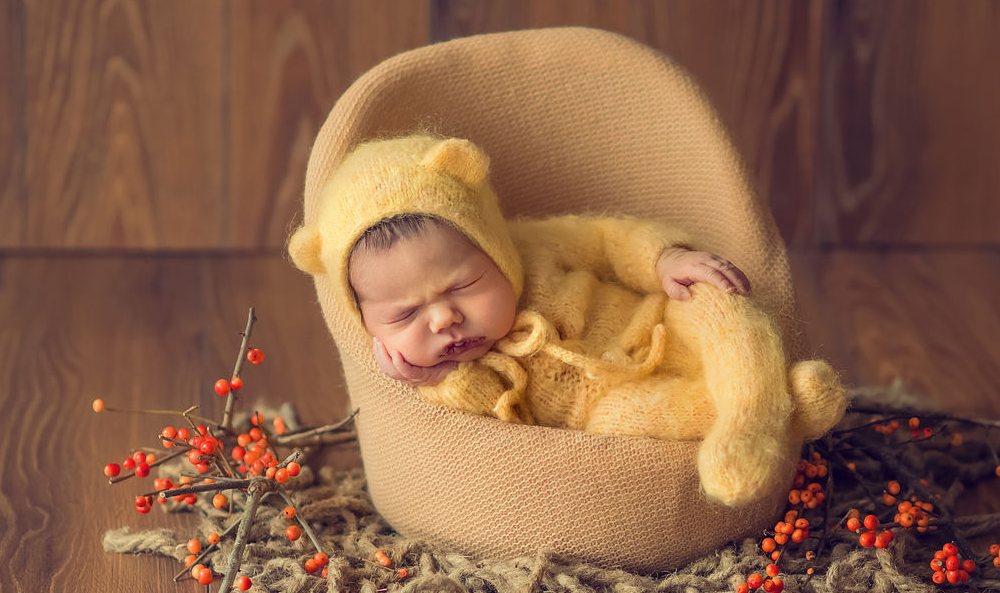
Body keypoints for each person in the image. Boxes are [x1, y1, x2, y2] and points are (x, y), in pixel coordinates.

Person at [287, 133, 846, 507]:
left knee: (720, 306)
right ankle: (778, 408)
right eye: (405, 314)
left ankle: (752, 416)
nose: (444, 319)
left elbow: (607, 240)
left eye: (462, 286)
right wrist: (437, 381)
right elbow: (498, 418)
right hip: (598, 405)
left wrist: (663, 259)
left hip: (657, 322)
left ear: (493, 247)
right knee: (638, 420)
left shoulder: (537, 247)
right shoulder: (456, 371)